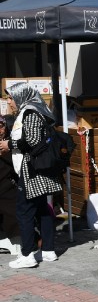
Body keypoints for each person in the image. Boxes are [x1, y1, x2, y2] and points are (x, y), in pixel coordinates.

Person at [0, 83, 61, 268]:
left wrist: (9, 145)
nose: (9, 101)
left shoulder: (30, 113)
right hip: (33, 170)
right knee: (42, 208)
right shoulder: (30, 112)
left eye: (10, 97)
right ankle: (48, 250)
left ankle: (27, 255)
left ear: (21, 95)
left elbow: (33, 141)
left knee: (23, 211)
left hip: (31, 171)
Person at [0, 116, 20, 248]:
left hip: (8, 186)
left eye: (1, 126)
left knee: (11, 207)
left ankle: (18, 241)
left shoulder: (9, 144)